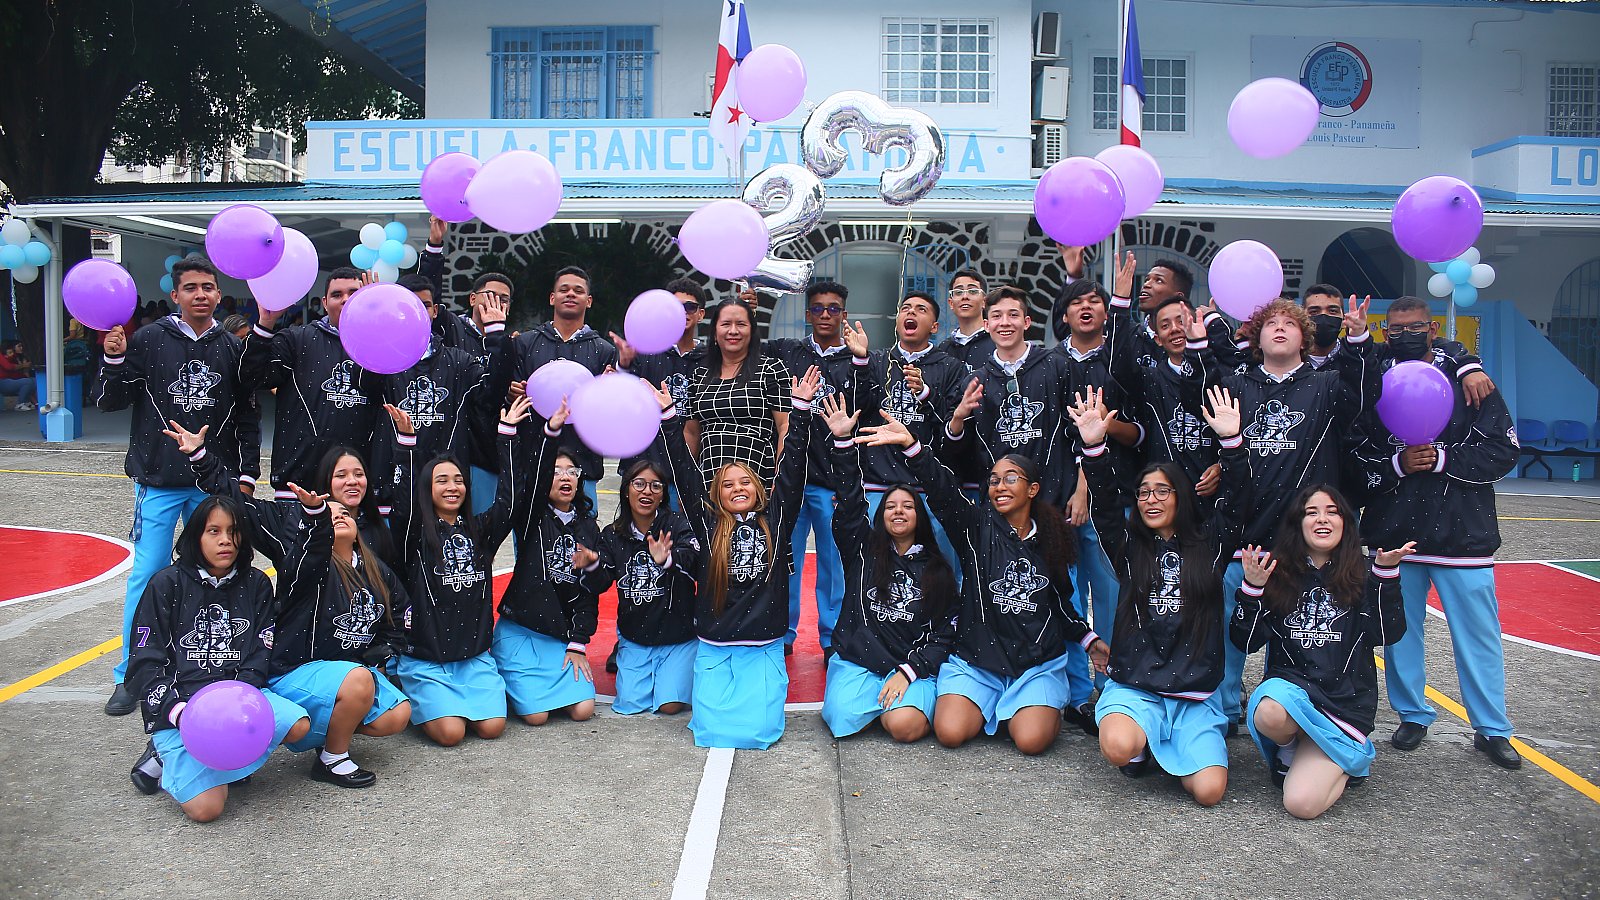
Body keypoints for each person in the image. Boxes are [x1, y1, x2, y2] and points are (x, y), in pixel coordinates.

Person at [858, 412, 1110, 756]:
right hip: (977, 661)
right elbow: (943, 490)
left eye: (1010, 479)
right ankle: (998, 706)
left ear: (1032, 489)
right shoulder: (975, 527)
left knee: (1031, 742)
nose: (999, 486)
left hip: (1034, 664)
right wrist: (912, 447)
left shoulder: (1051, 539)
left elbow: (1060, 604)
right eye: (993, 480)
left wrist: (1088, 639)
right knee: (949, 732)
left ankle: (1032, 706)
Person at [1351, 296, 1523, 769]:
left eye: (1417, 327)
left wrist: (1444, 458)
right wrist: (1397, 464)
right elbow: (1355, 452)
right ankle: (1412, 714)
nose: (1407, 335)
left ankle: (1492, 728)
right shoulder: (1373, 380)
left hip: (1463, 536)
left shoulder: (1472, 383)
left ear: (1432, 330)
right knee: (1399, 634)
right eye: (1397, 328)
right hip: (1394, 533)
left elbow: (1504, 450)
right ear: (1386, 333)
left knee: (1479, 636)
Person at [96, 257, 259, 716]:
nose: (200, 294)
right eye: (191, 288)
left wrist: (246, 476)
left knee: (220, 573)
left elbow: (247, 416)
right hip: (159, 480)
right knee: (147, 575)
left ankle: (213, 665)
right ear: (175, 295)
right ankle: (132, 674)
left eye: (208, 286)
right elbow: (109, 400)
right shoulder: (149, 339)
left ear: (219, 294)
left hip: (212, 483)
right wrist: (112, 358)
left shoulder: (233, 347)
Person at [1072, 385, 1245, 806]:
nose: (1151, 499)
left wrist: (1232, 443)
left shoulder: (1210, 545)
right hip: (1137, 688)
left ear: (1180, 496)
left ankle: (1173, 741)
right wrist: (1094, 448)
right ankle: (1141, 744)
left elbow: (1239, 504)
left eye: (1162, 491)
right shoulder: (1130, 548)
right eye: (1144, 492)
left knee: (1209, 793)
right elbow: (1106, 506)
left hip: (1193, 696)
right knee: (1118, 746)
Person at [941, 285, 1098, 720]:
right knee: (998, 593)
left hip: (1053, 504)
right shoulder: (973, 374)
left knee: (1060, 594)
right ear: (986, 323)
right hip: (997, 509)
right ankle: (993, 681)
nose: (1005, 322)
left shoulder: (1057, 365)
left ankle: (1077, 694)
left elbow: (1082, 431)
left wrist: (1082, 488)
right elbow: (954, 449)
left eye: (1014, 315)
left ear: (1027, 322)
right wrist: (958, 418)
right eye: (997, 316)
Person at [658, 365, 821, 750]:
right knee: (709, 732)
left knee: (757, 733)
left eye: (745, 481)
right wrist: (669, 419)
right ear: (717, 493)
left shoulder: (776, 520)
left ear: (759, 487)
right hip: (715, 644)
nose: (737, 488)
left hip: (762, 645)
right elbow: (685, 474)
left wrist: (799, 413)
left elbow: (792, 471)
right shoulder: (708, 525)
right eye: (728, 484)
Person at [1215, 298, 1359, 730]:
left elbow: (1364, 394)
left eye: (1290, 324)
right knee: (1231, 632)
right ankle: (1224, 712)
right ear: (1256, 338)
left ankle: (1287, 716)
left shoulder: (1327, 384)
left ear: (1305, 338)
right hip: (1244, 537)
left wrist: (1358, 341)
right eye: (1270, 324)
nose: (1280, 329)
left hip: (1300, 543)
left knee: (1296, 636)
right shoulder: (1233, 386)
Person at [125, 498, 311, 822]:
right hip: (184, 706)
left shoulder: (256, 583)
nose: (226, 540)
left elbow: (260, 650)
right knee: (206, 810)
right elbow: (144, 662)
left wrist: (238, 702)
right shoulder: (165, 584)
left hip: (234, 699)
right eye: (214, 531)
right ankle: (163, 755)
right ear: (196, 535)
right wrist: (176, 712)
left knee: (298, 725)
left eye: (233, 531)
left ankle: (229, 760)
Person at [1232, 486, 1414, 818]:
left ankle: (1348, 756)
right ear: (1297, 523)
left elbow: (1387, 634)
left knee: (1301, 805)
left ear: (1346, 522)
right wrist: (1252, 589)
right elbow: (1245, 641)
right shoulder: (1278, 573)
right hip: (1291, 697)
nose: (1322, 519)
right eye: (1312, 512)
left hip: (1343, 704)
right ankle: (1289, 749)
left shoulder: (1365, 572)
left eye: (1332, 512)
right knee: (1269, 711)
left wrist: (1386, 577)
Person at [384, 395, 529, 746]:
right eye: (442, 481)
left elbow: (509, 502)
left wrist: (507, 436)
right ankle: (407, 683)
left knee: (493, 727)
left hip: (473, 658)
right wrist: (406, 445)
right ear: (427, 489)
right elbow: (403, 502)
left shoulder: (480, 531)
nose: (452, 487)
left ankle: (456, 698)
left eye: (458, 480)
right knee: (451, 734)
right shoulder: (414, 534)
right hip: (426, 661)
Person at [818, 394, 957, 742]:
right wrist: (842, 443)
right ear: (880, 515)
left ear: (919, 516)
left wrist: (911, 671)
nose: (898, 511)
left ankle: (901, 703)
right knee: (840, 719)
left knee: (904, 727)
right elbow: (850, 505)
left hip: (910, 665)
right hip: (860, 662)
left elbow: (946, 632)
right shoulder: (862, 550)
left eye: (908, 506)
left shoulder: (937, 569)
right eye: (891, 506)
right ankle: (881, 701)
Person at [269, 483, 414, 788]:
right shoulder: (310, 566)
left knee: (398, 714)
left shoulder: (376, 570)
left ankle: (333, 729)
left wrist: (380, 656)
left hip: (346, 676)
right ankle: (332, 758)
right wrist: (313, 517)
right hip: (294, 671)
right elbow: (308, 553)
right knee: (358, 680)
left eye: (345, 513)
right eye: (329, 515)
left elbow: (399, 619)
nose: (339, 516)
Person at [765, 282, 872, 657]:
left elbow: (867, 406)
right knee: (785, 560)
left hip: (832, 482)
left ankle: (831, 636)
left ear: (844, 314)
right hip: (791, 480)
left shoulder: (858, 358)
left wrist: (862, 361)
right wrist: (748, 301)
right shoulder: (787, 352)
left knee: (833, 563)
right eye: (817, 309)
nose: (825, 315)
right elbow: (742, 348)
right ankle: (781, 631)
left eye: (833, 308)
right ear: (807, 314)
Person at [245, 268, 385, 508]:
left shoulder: (383, 346)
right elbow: (253, 377)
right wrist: (265, 325)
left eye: (354, 293)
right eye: (337, 294)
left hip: (357, 484)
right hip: (298, 483)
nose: (345, 300)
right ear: (324, 302)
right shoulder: (295, 339)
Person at [855, 291, 971, 577]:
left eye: (921, 309)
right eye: (905, 308)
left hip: (930, 490)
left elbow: (953, 430)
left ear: (934, 326)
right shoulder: (877, 361)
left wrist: (925, 394)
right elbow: (857, 407)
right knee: (875, 573)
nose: (911, 313)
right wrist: (859, 361)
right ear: (897, 321)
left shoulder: (950, 367)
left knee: (942, 572)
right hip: (878, 487)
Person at [373, 276, 503, 516]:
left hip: (447, 486)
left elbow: (492, 393)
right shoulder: (381, 360)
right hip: (394, 487)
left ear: (435, 311)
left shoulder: (459, 361)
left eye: (424, 305)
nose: (417, 311)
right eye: (409, 305)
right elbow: (360, 386)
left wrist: (495, 336)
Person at [494, 441, 602, 727]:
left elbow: (590, 593)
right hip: (521, 632)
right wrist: (547, 433)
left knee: (583, 709)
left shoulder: (589, 527)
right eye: (556, 471)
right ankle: (503, 671)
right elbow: (521, 483)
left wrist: (578, 642)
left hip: (558, 637)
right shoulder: (531, 517)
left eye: (572, 471)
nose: (565, 477)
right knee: (536, 717)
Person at [491, 265, 618, 508]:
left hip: (583, 466)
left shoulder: (605, 351)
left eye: (578, 291)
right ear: (552, 298)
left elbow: (607, 415)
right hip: (531, 460)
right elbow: (508, 399)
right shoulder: (525, 343)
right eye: (564, 289)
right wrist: (511, 393)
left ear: (589, 301)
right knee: (528, 530)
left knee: (581, 531)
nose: (570, 294)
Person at [587, 460, 701, 715]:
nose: (647, 491)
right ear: (626, 490)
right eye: (639, 484)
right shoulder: (612, 534)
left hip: (678, 637)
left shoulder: (677, 525)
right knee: (631, 703)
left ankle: (678, 667)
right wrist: (592, 565)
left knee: (669, 706)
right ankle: (632, 659)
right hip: (636, 636)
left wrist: (668, 560)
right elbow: (600, 583)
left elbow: (695, 563)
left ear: (663, 495)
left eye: (655, 486)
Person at [684, 298, 792, 489]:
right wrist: (686, 482)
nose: (733, 331)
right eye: (726, 324)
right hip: (709, 480)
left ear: (752, 331)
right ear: (715, 332)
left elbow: (785, 426)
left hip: (756, 479)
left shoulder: (771, 369)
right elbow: (691, 433)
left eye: (741, 324)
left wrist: (781, 476)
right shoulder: (699, 375)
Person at [621, 277, 708, 512]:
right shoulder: (644, 352)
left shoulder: (712, 359)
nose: (683, 312)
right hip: (642, 468)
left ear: (701, 314)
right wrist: (621, 368)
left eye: (690, 307)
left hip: (690, 472)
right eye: (675, 306)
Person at [936, 269, 994, 368]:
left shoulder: (997, 341)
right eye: (958, 292)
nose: (965, 296)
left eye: (973, 291)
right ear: (951, 303)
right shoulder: (944, 348)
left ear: (984, 302)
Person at [0, 339, 37, 410]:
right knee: (27, 382)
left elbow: (16, 372)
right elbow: (8, 367)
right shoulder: (1, 356)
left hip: (12, 380)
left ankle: (28, 402)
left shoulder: (16, 357)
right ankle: (20, 403)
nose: (12, 353)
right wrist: (23, 365)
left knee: (34, 381)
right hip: (2, 381)